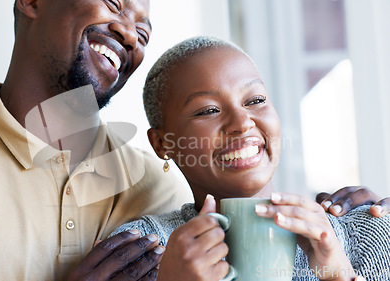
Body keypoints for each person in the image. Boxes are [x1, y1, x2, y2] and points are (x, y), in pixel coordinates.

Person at [0, 1, 386, 280]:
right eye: (113, 2)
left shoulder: (163, 183)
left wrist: (354, 230)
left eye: (143, 33)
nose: (129, 34)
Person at [111, 36, 390, 281]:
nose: (242, 122)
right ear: (163, 143)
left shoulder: (369, 234)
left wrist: (338, 275)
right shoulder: (139, 254)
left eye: (255, 100)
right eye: (208, 110)